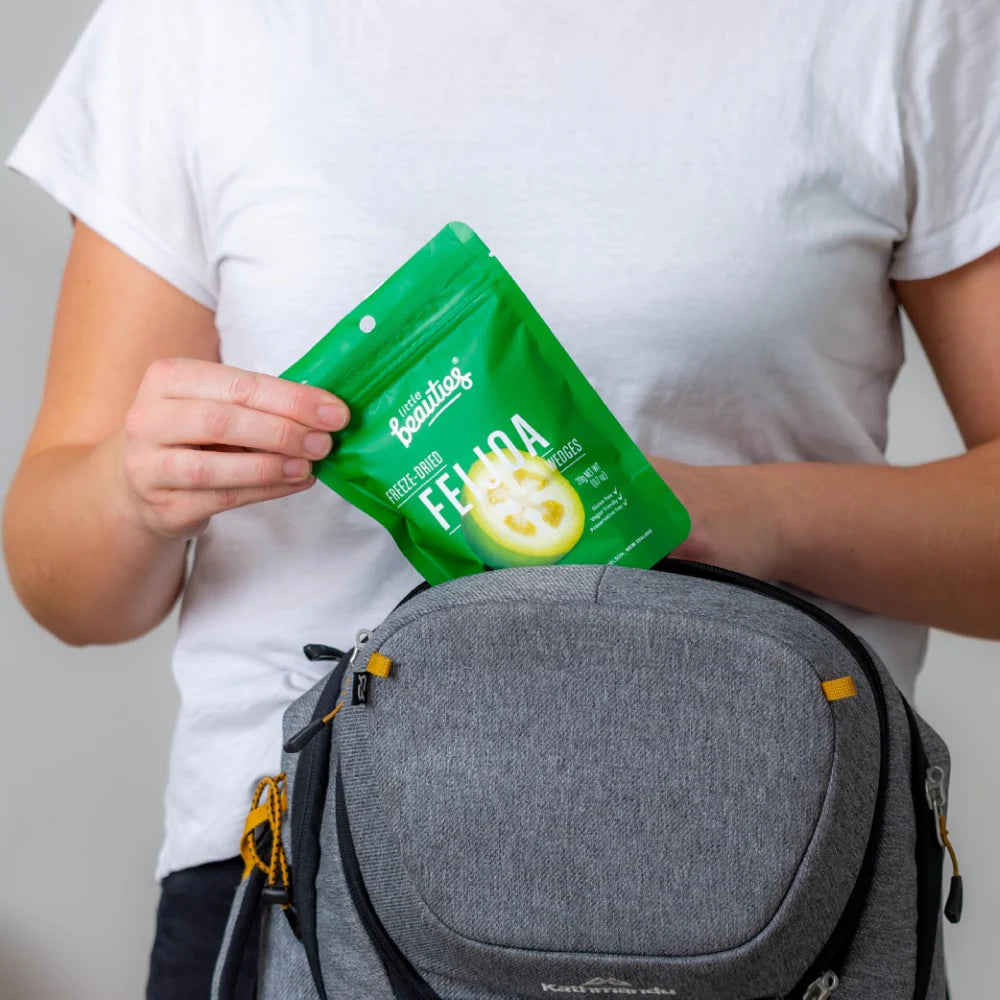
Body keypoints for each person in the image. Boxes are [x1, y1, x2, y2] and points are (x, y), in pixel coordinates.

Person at [5, 0, 1000, 996]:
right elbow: (70, 591)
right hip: (299, 878)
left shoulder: (899, 24)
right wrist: (133, 489)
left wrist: (737, 515)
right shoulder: (195, 27)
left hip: (763, 856)